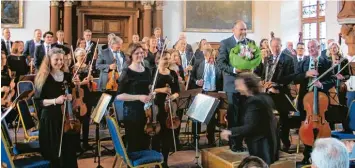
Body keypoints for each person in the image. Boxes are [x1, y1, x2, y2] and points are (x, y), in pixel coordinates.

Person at [34, 47, 80, 167]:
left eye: (61, 59)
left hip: (66, 119)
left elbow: (73, 94)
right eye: (56, 59)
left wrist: (71, 96)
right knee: (54, 153)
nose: (59, 62)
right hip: (50, 119)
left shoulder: (67, 76)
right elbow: (38, 102)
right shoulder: (43, 77)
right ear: (49, 60)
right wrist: (55, 100)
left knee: (68, 152)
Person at [221, 72, 279, 165]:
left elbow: (251, 127)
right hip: (269, 145)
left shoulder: (254, 102)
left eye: (238, 85)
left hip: (261, 147)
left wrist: (230, 132)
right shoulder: (264, 97)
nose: (236, 88)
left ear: (247, 85)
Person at [293, 39, 334, 164]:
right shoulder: (304, 62)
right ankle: (307, 155)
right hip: (306, 102)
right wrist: (306, 74)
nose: (311, 49)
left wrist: (321, 85)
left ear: (318, 48)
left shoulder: (326, 62)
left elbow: (332, 80)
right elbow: (296, 78)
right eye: (309, 47)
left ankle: (323, 156)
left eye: (313, 47)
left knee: (322, 129)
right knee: (307, 128)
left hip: (321, 102)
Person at [216, 20, 254, 152]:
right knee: (234, 115)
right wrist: (233, 70)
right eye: (241, 29)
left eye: (245, 29)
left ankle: (241, 142)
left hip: (246, 86)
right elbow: (220, 63)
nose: (243, 32)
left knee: (244, 115)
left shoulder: (249, 43)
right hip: (232, 85)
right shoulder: (225, 43)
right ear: (233, 30)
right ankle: (234, 143)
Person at [255, 38, 295, 153]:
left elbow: (289, 78)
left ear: (281, 46)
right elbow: (263, 74)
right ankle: (269, 141)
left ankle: (285, 142)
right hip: (268, 92)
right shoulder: (268, 59)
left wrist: (275, 85)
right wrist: (263, 82)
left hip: (281, 93)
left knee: (284, 119)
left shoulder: (288, 59)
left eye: (277, 46)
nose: (275, 49)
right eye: (273, 46)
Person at [116, 43, 152, 153]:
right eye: (137, 53)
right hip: (132, 113)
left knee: (145, 143)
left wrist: (151, 94)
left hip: (147, 112)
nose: (140, 55)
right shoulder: (127, 72)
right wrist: (139, 97)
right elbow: (119, 95)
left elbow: (148, 89)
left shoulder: (147, 70)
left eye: (142, 52)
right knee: (134, 144)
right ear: (130, 55)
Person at [151, 51, 180, 168]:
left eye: (168, 59)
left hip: (169, 108)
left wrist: (173, 96)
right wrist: (161, 90)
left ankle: (165, 162)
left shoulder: (172, 73)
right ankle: (156, 162)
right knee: (156, 135)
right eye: (165, 59)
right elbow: (150, 89)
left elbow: (177, 90)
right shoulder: (154, 72)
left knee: (167, 136)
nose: (167, 61)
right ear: (158, 60)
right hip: (156, 107)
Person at [190, 48, 223, 146]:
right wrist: (196, 81)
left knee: (211, 118)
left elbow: (221, 78)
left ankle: (211, 139)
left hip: (213, 92)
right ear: (205, 56)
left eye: (213, 57)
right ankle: (195, 139)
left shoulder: (217, 65)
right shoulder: (198, 63)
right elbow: (191, 77)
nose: (211, 59)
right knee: (197, 117)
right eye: (210, 57)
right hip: (202, 92)